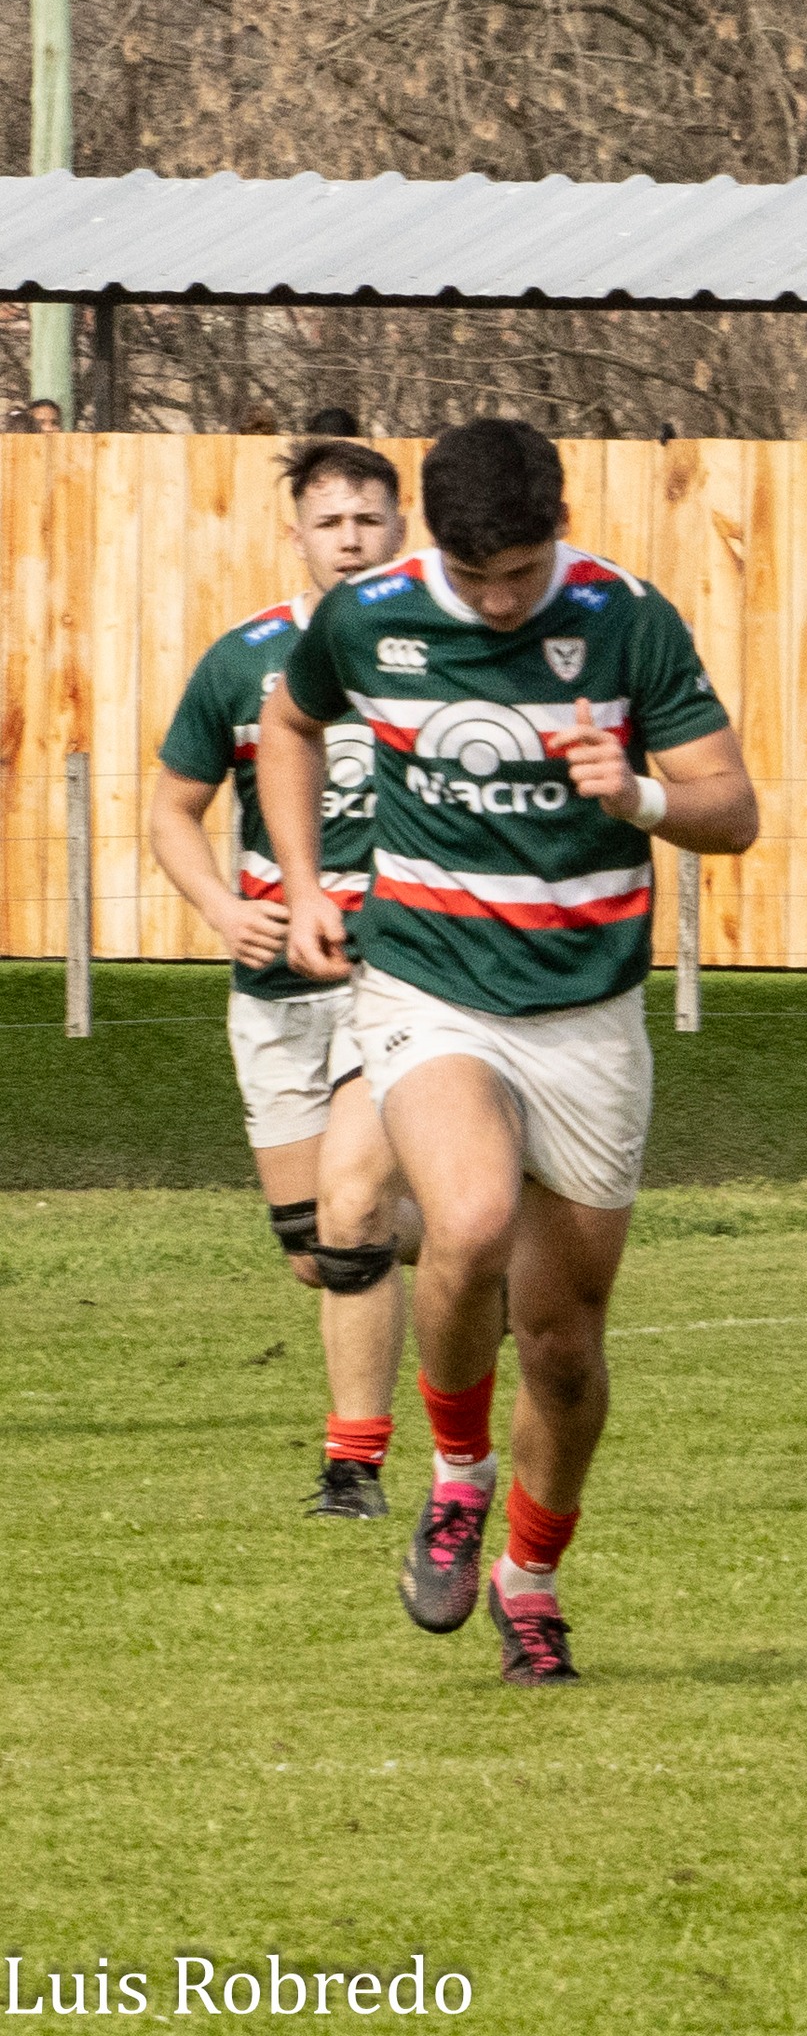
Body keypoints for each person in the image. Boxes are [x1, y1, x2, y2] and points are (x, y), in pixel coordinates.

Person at [258, 417, 758, 1687]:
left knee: (566, 1343)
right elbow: (290, 726)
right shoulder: (369, 617)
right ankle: (458, 1476)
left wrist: (638, 794)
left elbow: (733, 809)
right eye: (474, 577)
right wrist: (312, 881)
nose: (496, 599)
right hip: (431, 984)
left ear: (558, 529)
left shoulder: (629, 618)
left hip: (589, 1011)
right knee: (467, 1217)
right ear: (435, 543)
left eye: (520, 574)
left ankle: (530, 1580)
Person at [150, 438, 418, 1521]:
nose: (351, 538)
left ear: (401, 526)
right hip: (273, 986)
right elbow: (172, 808)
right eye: (330, 522)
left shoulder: (433, 650)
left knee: (355, 1211)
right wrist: (224, 910)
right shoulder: (241, 661)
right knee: (316, 1252)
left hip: (397, 970)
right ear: (298, 534)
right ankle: (472, 1253)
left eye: (369, 518)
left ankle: (352, 1469)